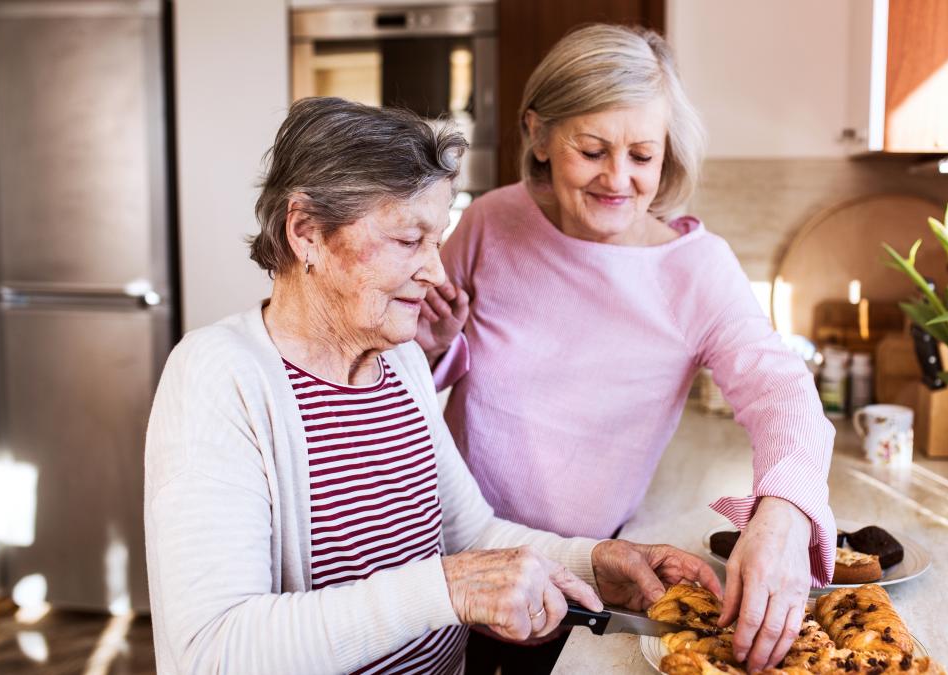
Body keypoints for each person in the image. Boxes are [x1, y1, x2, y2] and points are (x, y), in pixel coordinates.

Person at [143, 97, 720, 675]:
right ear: (307, 231)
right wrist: (447, 589)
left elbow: (470, 534)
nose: (436, 271)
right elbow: (213, 651)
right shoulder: (219, 378)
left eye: (435, 240)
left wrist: (597, 563)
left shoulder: (401, 363)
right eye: (406, 241)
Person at [416, 25, 837, 674]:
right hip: (450, 553)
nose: (619, 178)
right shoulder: (488, 223)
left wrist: (783, 514)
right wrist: (436, 343)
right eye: (592, 150)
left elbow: (782, 391)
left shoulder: (696, 271)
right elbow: (399, 375)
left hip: (584, 573)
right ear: (538, 135)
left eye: (642, 155)